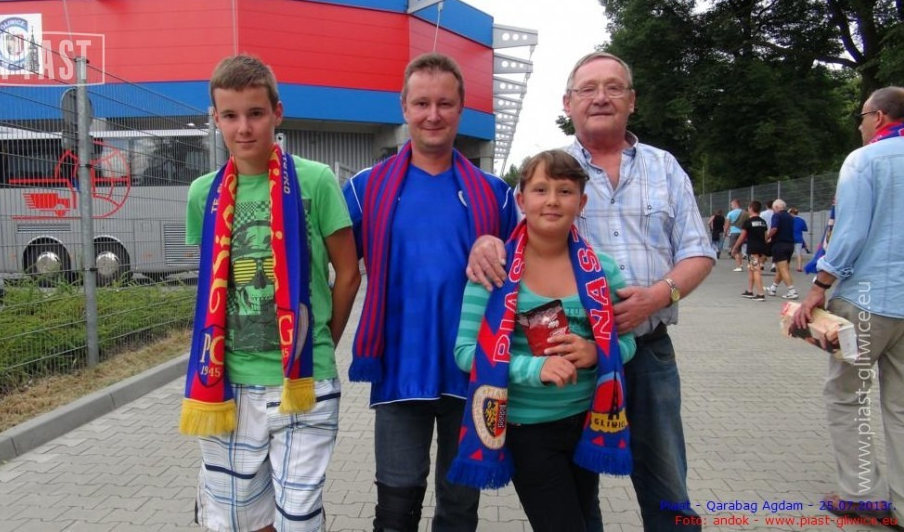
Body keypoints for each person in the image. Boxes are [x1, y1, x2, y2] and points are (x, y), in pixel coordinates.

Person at [467, 51, 715, 531]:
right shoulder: (552, 170)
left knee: (666, 480)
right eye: (588, 89)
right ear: (568, 103)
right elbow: (508, 240)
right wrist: (484, 241)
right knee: (582, 492)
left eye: (613, 87)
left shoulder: (665, 168)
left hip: (646, 350)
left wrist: (659, 295)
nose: (601, 97)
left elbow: (699, 252)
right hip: (573, 366)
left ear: (632, 100)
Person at [180, 54, 361, 532]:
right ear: (215, 119)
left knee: (298, 518)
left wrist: (320, 342)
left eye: (256, 113)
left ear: (277, 113)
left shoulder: (316, 181)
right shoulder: (203, 194)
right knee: (242, 520)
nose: (244, 128)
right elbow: (210, 283)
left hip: (303, 383)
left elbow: (348, 272)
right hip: (227, 385)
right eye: (230, 115)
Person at [342, 53, 518, 532]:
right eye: (422, 103)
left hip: (473, 372)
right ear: (404, 107)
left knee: (459, 509)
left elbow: (529, 269)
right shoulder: (365, 189)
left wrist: (498, 245)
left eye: (445, 103)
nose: (433, 115)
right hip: (399, 369)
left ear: (462, 108)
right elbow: (327, 265)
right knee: (395, 510)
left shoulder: (495, 193)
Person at [450, 150, 637, 532]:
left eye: (565, 191)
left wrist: (595, 353)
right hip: (528, 428)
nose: (552, 200)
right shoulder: (494, 270)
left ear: (581, 203)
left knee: (587, 517)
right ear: (521, 200)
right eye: (540, 190)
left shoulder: (602, 268)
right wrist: (535, 369)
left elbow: (628, 341)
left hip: (588, 423)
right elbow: (466, 352)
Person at [793, 86, 904, 532]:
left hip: (867, 301)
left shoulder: (865, 160)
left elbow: (851, 231)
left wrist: (819, 287)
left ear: (878, 117)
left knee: (847, 397)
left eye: (861, 117)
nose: (859, 125)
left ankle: (863, 497)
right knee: (902, 408)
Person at [730, 201, 768, 301]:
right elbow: (766, 237)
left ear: (751, 208)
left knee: (756, 270)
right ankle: (750, 291)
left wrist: (735, 247)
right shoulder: (763, 222)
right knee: (751, 269)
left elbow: (742, 236)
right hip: (760, 248)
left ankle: (760, 294)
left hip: (752, 249)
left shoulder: (748, 222)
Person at [765, 199, 798, 299]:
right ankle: (773, 288)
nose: (773, 210)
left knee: (783, 269)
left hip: (780, 245)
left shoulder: (777, 215)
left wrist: (767, 237)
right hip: (790, 245)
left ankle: (792, 291)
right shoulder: (790, 217)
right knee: (780, 269)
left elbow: (774, 228)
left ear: (776, 207)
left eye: (773, 208)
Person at [723, 199, 746, 271]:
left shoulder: (730, 213)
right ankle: (742, 264)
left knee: (735, 249)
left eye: (731, 205)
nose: (731, 206)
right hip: (743, 232)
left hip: (734, 232)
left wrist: (725, 233)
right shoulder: (745, 213)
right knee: (740, 249)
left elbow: (727, 224)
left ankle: (739, 266)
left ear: (735, 204)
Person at [789, 207, 808, 271]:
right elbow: (805, 229)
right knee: (799, 253)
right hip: (799, 238)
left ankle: (787, 266)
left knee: (789, 253)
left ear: (791, 213)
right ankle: (799, 267)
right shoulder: (802, 220)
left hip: (790, 238)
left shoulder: (789, 219)